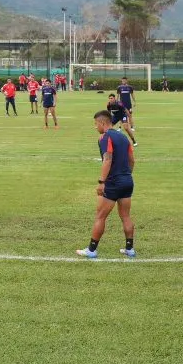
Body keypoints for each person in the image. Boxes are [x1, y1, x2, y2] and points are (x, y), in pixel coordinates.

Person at [76, 110, 136, 259]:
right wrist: (127, 175)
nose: (95, 127)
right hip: (127, 181)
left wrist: (102, 182)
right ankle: (130, 249)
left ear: (103, 123)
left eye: (96, 124)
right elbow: (132, 160)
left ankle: (91, 250)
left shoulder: (105, 137)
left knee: (100, 216)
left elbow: (107, 159)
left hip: (113, 182)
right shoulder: (123, 137)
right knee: (126, 216)